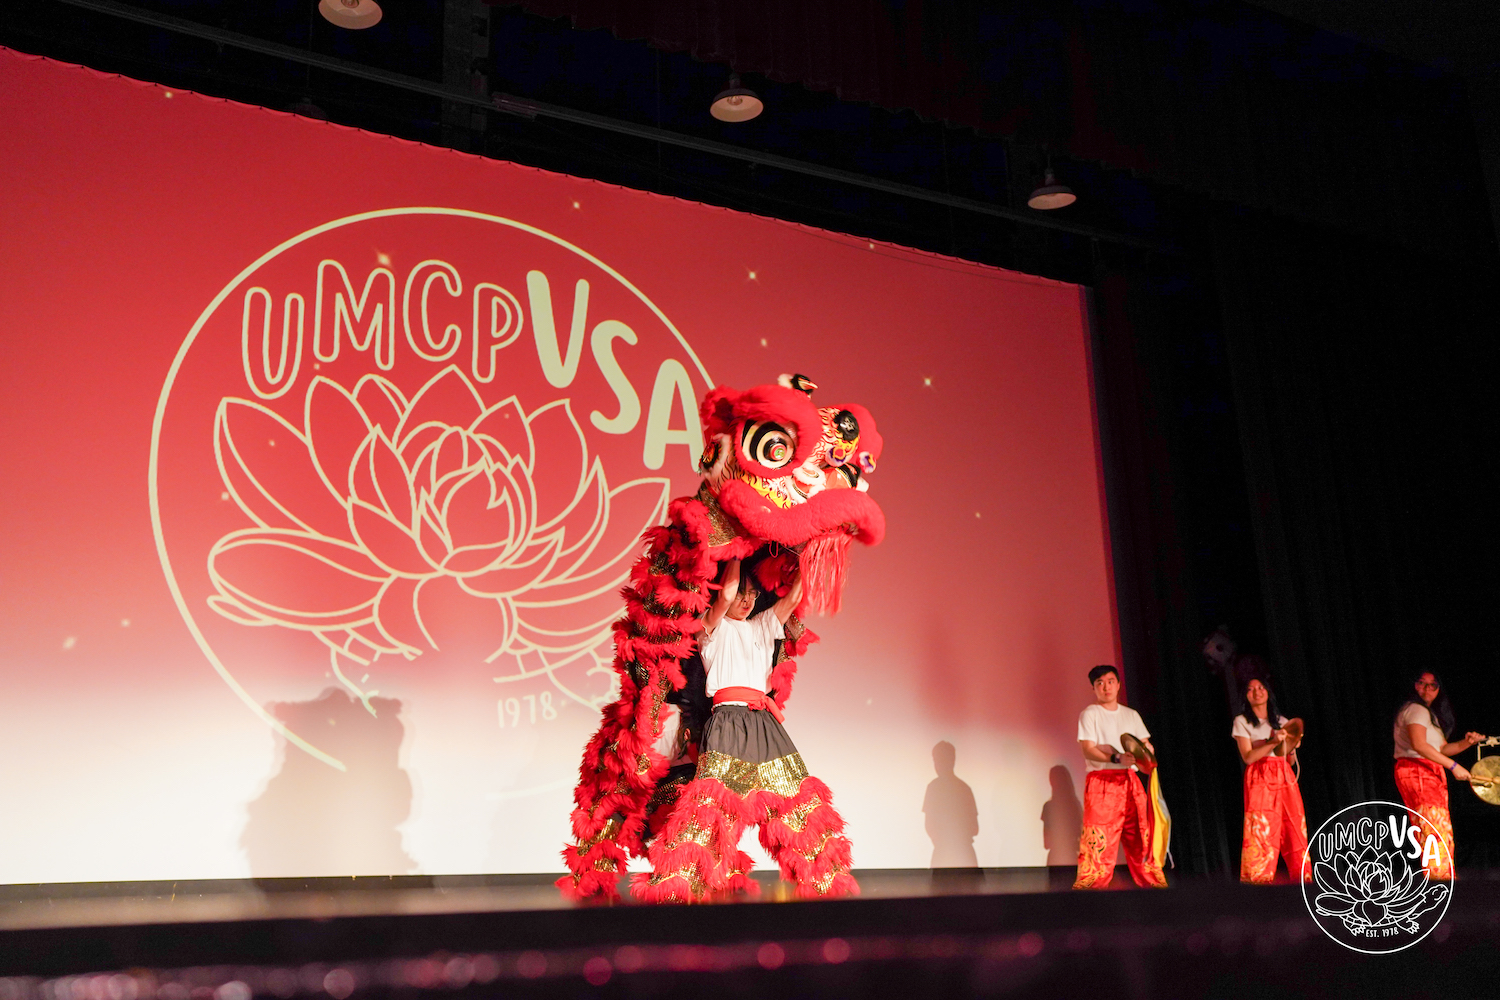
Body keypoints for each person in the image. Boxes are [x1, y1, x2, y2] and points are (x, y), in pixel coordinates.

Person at [633, 558, 857, 901]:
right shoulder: (714, 626)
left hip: (764, 723)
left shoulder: (764, 625)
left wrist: (816, 552)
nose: (746, 600)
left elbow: (794, 597)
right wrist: (737, 551)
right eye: (742, 593)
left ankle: (826, 883)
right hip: (727, 721)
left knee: (795, 799)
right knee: (712, 805)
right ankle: (678, 888)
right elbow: (725, 597)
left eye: (753, 595)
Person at [1072, 665, 1168, 890]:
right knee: (1100, 840)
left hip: (1130, 781)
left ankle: (1154, 887)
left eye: (1110, 681)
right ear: (1094, 688)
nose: (1106, 687)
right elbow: (1088, 749)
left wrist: (1147, 751)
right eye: (1100, 683)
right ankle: (1092, 892)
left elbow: (1143, 743)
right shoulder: (1090, 714)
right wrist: (1115, 758)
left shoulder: (1130, 714)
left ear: (1118, 684)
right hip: (1102, 781)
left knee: (1141, 837)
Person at [1393, 670, 1486, 880]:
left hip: (1428, 773)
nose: (1427, 689)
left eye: (1433, 685)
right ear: (1413, 685)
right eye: (1421, 683)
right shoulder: (1415, 709)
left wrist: (1467, 743)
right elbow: (1419, 746)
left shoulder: (1428, 714)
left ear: (1438, 690)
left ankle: (1444, 879)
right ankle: (1440, 883)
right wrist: (1454, 767)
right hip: (1418, 771)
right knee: (1433, 830)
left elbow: (1441, 749)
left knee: (1437, 829)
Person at [1232, 677, 1309, 884]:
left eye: (1260, 687)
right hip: (1260, 775)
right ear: (1245, 696)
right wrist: (1272, 742)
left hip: (1284, 774)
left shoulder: (1282, 721)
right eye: (1250, 689)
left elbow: (1290, 761)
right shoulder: (1242, 721)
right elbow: (1248, 757)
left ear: (1268, 692)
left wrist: (1292, 746)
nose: (1256, 692)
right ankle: (1257, 884)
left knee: (1295, 827)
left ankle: (1303, 881)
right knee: (1262, 830)